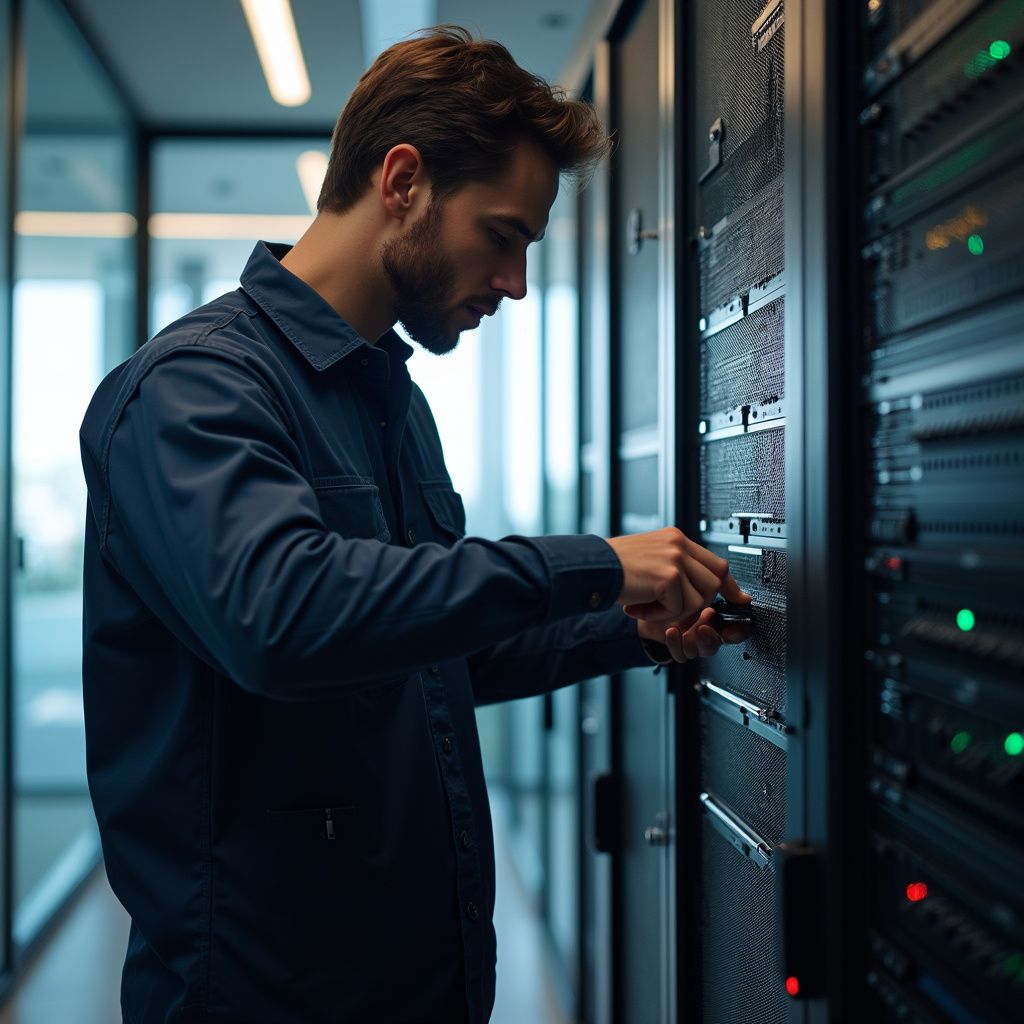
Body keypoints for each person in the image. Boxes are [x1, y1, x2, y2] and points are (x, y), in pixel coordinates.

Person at [79, 25, 750, 1024]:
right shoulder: (196, 389)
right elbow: (284, 616)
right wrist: (592, 566)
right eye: (503, 235)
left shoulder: (393, 404)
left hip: (422, 988)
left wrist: (624, 627)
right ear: (402, 181)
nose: (514, 283)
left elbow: (431, 659)